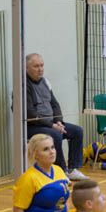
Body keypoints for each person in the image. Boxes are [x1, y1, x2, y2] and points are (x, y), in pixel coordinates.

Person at [25, 53, 86, 181]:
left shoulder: (45, 82)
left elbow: (54, 104)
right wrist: (52, 125)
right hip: (33, 126)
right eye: (36, 66)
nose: (40, 69)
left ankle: (73, 169)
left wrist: (59, 121)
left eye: (42, 65)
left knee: (77, 131)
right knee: (55, 135)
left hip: (51, 123)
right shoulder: (23, 86)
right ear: (27, 68)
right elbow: (30, 113)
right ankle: (61, 171)